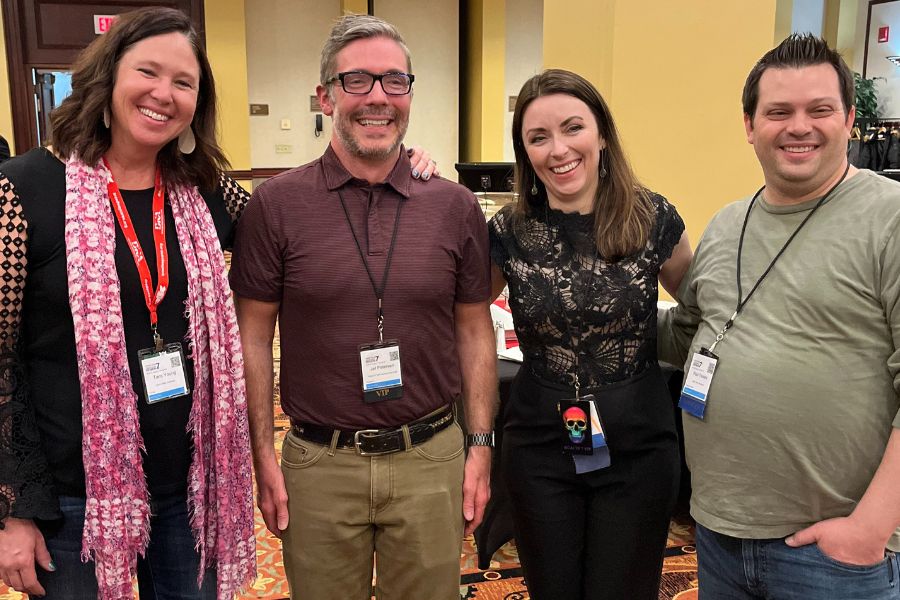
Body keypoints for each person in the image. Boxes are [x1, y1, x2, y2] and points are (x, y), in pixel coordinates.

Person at [229, 14, 496, 600]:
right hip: (319, 464)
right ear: (325, 96)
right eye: (358, 81)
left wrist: (479, 447)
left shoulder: (453, 206)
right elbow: (250, 340)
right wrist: (260, 457)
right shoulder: (275, 206)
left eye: (394, 81)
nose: (378, 97)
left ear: (409, 94)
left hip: (430, 458)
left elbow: (476, 333)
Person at [0, 8, 256, 599]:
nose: (163, 94)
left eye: (184, 82)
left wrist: (398, 166)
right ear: (109, 76)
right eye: (148, 71)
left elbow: (290, 225)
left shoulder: (207, 191)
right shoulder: (23, 189)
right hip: (70, 501)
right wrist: (14, 509)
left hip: (193, 486)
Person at [659, 33, 900, 599]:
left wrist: (870, 529)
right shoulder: (725, 224)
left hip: (835, 554)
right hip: (717, 533)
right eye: (778, 112)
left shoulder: (889, 220)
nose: (799, 126)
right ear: (749, 125)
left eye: (819, 109)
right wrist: (589, 318)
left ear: (849, 119)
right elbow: (688, 335)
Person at [487, 69, 692, 600]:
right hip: (539, 449)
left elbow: (701, 310)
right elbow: (457, 312)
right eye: (538, 137)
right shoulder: (507, 232)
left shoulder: (652, 218)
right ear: (524, 152)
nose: (559, 150)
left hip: (639, 451)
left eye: (573, 127)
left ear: (602, 133)